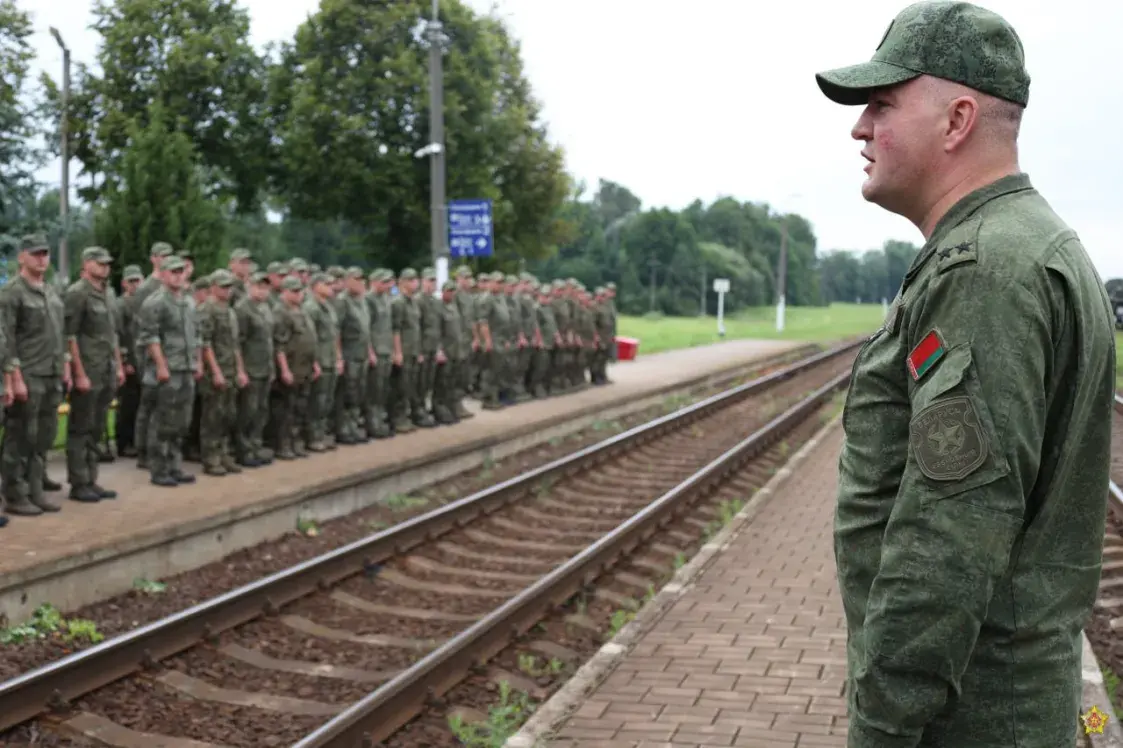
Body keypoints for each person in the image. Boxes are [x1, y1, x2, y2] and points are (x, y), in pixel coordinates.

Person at [817, 2, 1116, 745]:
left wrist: (883, 721)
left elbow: (948, 536)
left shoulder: (986, 270)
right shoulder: (1025, 244)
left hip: (969, 715)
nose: (859, 129)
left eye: (881, 105)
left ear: (955, 121)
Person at [0, 234, 68, 515]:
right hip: (28, 374)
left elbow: (59, 333)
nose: (42, 259)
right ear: (22, 257)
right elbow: (6, 337)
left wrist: (64, 366)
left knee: (43, 435)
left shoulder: (50, 291)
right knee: (20, 435)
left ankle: (35, 490)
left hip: (50, 373)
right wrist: (13, 377)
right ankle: (15, 494)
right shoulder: (12, 292)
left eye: (45, 254)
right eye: (36, 254)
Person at [64, 246, 125, 502]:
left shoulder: (108, 293)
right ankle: (79, 482)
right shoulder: (77, 293)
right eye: (99, 263)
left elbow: (112, 335)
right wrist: (78, 372)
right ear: (87, 264)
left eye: (107, 263)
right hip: (88, 368)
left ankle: (91, 478)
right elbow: (70, 336)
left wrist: (119, 365)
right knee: (81, 427)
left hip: (106, 368)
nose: (105, 267)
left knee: (97, 426)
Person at [136, 254, 200, 487]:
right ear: (162, 274)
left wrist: (197, 362)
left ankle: (175, 465)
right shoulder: (155, 302)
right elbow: (150, 337)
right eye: (173, 271)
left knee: (181, 422)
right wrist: (161, 366)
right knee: (162, 421)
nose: (178, 275)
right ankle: (159, 468)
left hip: (186, 368)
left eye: (181, 271)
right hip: (167, 371)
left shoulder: (188, 302)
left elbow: (197, 335)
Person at [198, 269, 248, 476]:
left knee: (229, 414)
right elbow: (205, 344)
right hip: (215, 371)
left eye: (229, 287)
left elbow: (235, 345)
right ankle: (211, 457)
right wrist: (216, 371)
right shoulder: (207, 310)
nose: (227, 290)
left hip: (230, 369)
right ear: (213, 287)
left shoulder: (229, 311)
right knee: (213, 415)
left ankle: (224, 452)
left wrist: (240, 370)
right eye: (223, 286)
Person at [234, 271, 275, 467]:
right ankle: (243, 450)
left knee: (261, 410)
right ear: (249, 286)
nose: (262, 290)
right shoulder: (243, 309)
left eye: (265, 287)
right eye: (259, 286)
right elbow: (237, 343)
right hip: (251, 367)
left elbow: (269, 341)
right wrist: (241, 370)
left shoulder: (266, 308)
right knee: (247, 412)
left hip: (265, 367)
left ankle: (255, 446)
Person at [114, 265, 144, 457]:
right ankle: (123, 442)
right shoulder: (121, 305)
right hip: (129, 359)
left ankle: (136, 439)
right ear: (124, 283)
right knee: (127, 405)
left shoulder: (143, 303)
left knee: (140, 403)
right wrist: (124, 361)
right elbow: (118, 334)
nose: (135, 285)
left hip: (142, 359)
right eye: (131, 281)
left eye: (138, 280)